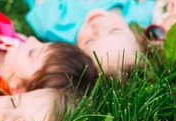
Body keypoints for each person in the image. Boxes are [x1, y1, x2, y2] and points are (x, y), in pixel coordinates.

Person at [24, 0, 155, 76]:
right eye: (115, 30)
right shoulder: (138, 18)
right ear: (135, 34)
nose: (97, 25)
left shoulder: (57, 25)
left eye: (90, 41)